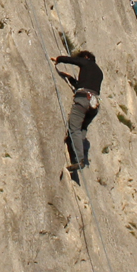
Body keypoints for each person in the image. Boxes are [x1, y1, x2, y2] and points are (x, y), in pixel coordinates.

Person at [51, 50, 102, 179]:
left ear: (86, 57)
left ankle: (79, 159)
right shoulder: (99, 72)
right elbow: (84, 84)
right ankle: (81, 152)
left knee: (74, 128)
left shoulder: (86, 62)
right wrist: (71, 79)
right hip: (94, 103)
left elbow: (73, 61)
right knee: (83, 127)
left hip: (83, 100)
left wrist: (59, 58)